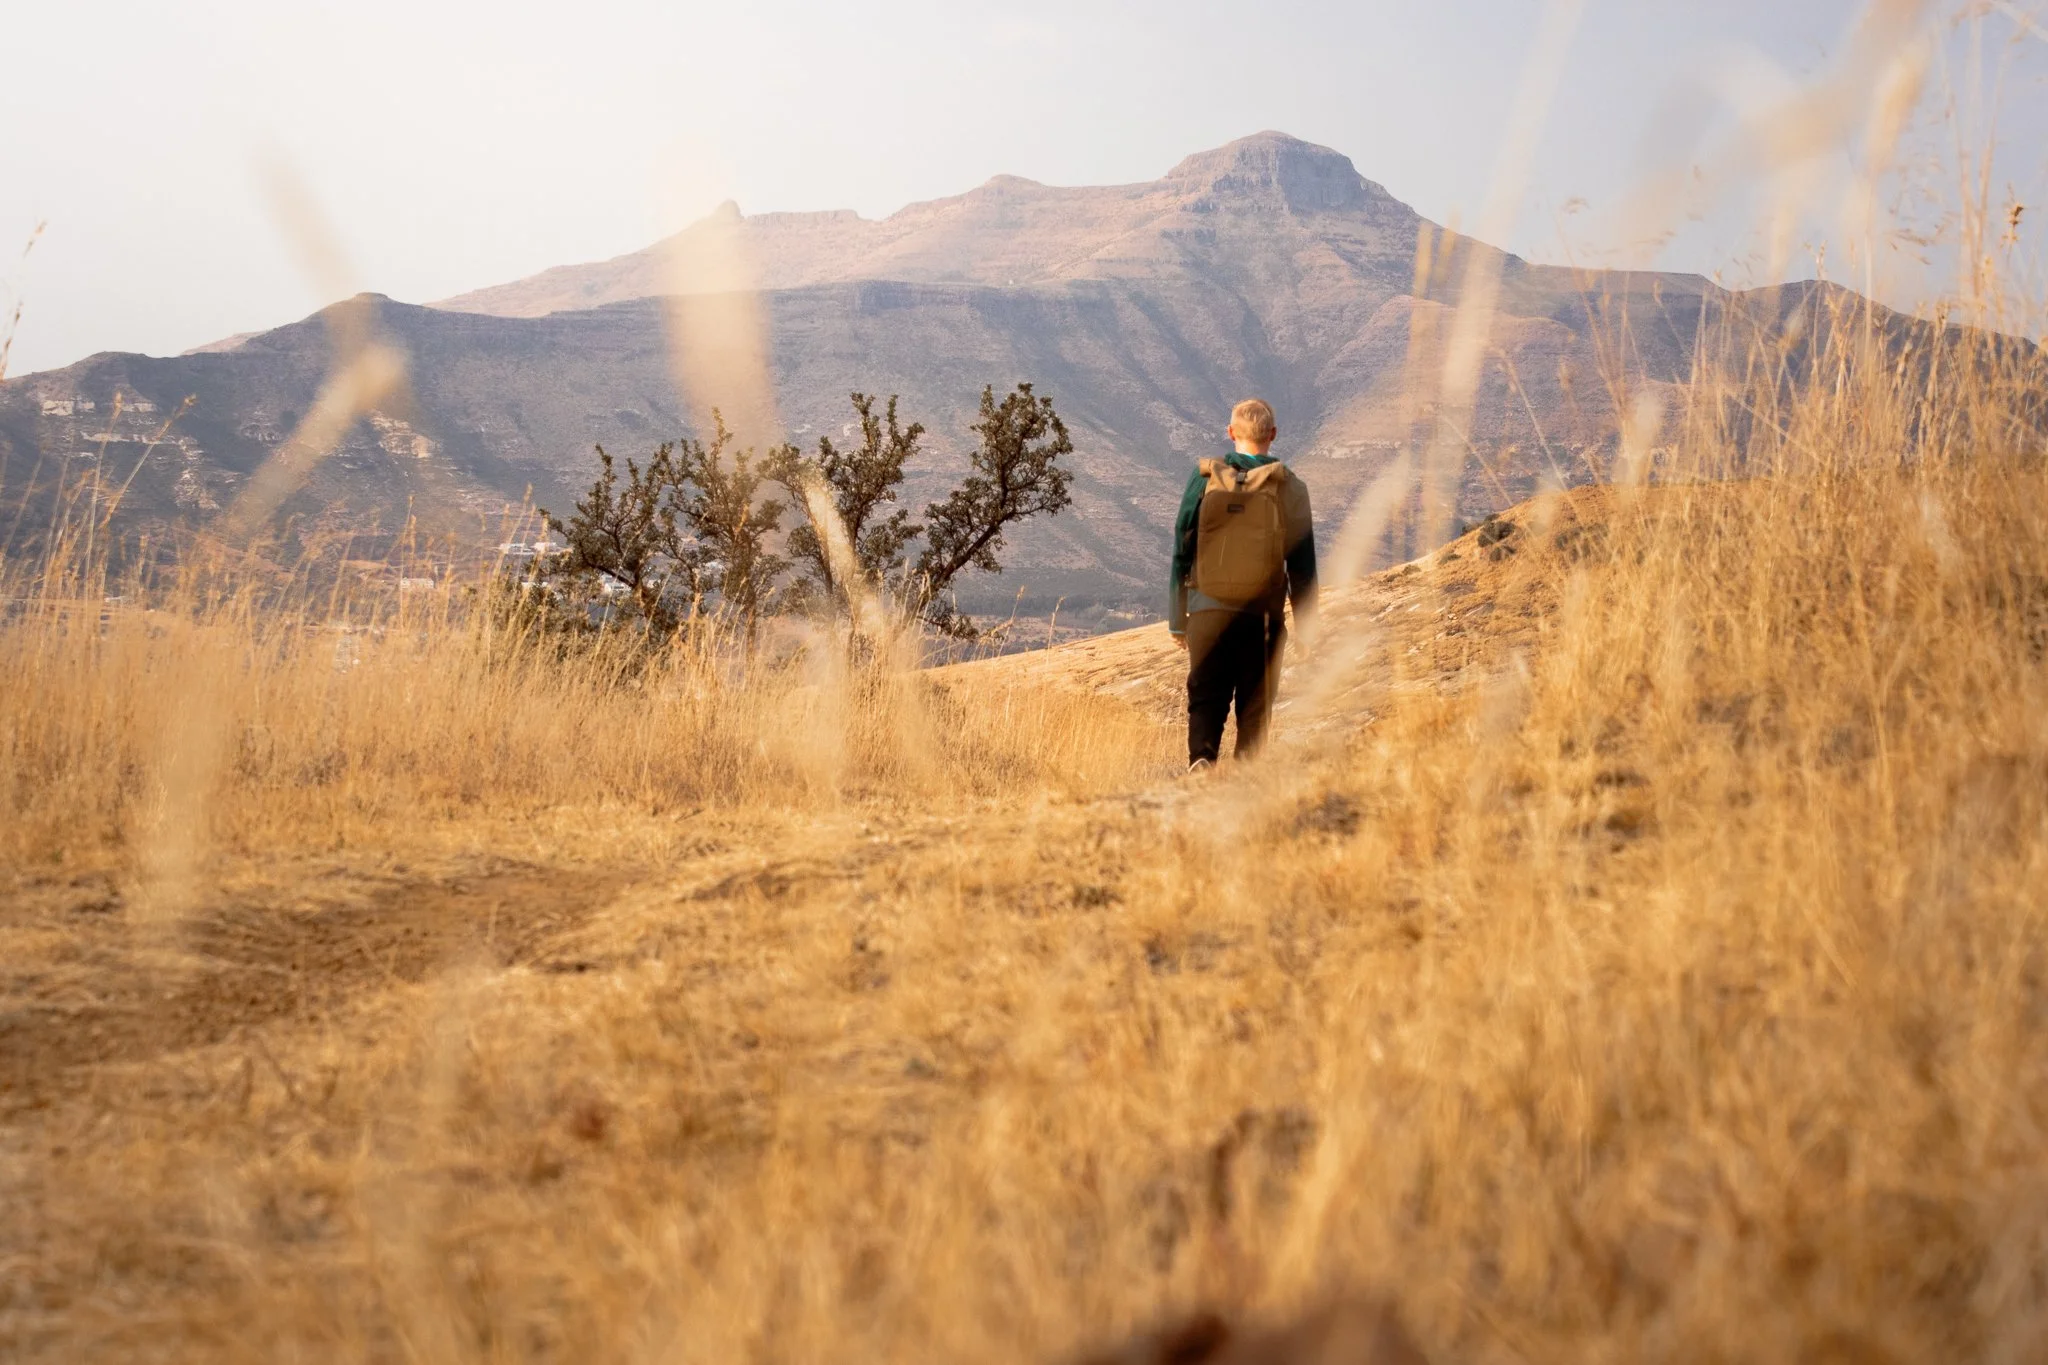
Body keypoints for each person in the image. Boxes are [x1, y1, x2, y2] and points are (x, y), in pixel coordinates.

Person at [1168, 397, 1317, 770]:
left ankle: (1201, 764)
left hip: (1206, 610)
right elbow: (1303, 566)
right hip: (1261, 618)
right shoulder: (1290, 485)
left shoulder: (1204, 477)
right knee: (1255, 707)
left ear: (1231, 432)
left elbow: (1182, 545)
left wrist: (1177, 618)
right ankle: (1245, 785)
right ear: (1273, 435)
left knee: (1206, 698)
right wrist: (1308, 630)